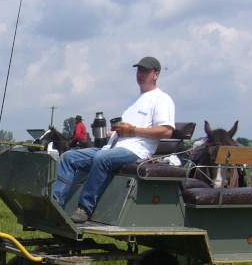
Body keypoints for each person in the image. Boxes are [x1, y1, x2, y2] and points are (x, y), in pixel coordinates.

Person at [53, 56, 175, 224]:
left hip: (135, 151)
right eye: (139, 70)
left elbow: (166, 131)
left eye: (145, 71)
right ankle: (55, 203)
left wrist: (131, 130)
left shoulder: (161, 99)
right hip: (113, 148)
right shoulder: (134, 101)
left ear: (156, 74)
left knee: (100, 158)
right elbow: (125, 131)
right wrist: (111, 132)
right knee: (68, 157)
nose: (140, 74)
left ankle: (85, 207)